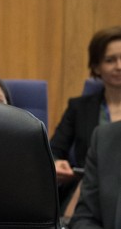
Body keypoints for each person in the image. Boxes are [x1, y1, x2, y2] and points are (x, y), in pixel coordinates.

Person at [50, 26, 121, 214]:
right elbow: (54, 150)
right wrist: (57, 164)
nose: (119, 66)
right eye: (110, 60)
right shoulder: (79, 108)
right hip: (88, 192)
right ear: (97, 66)